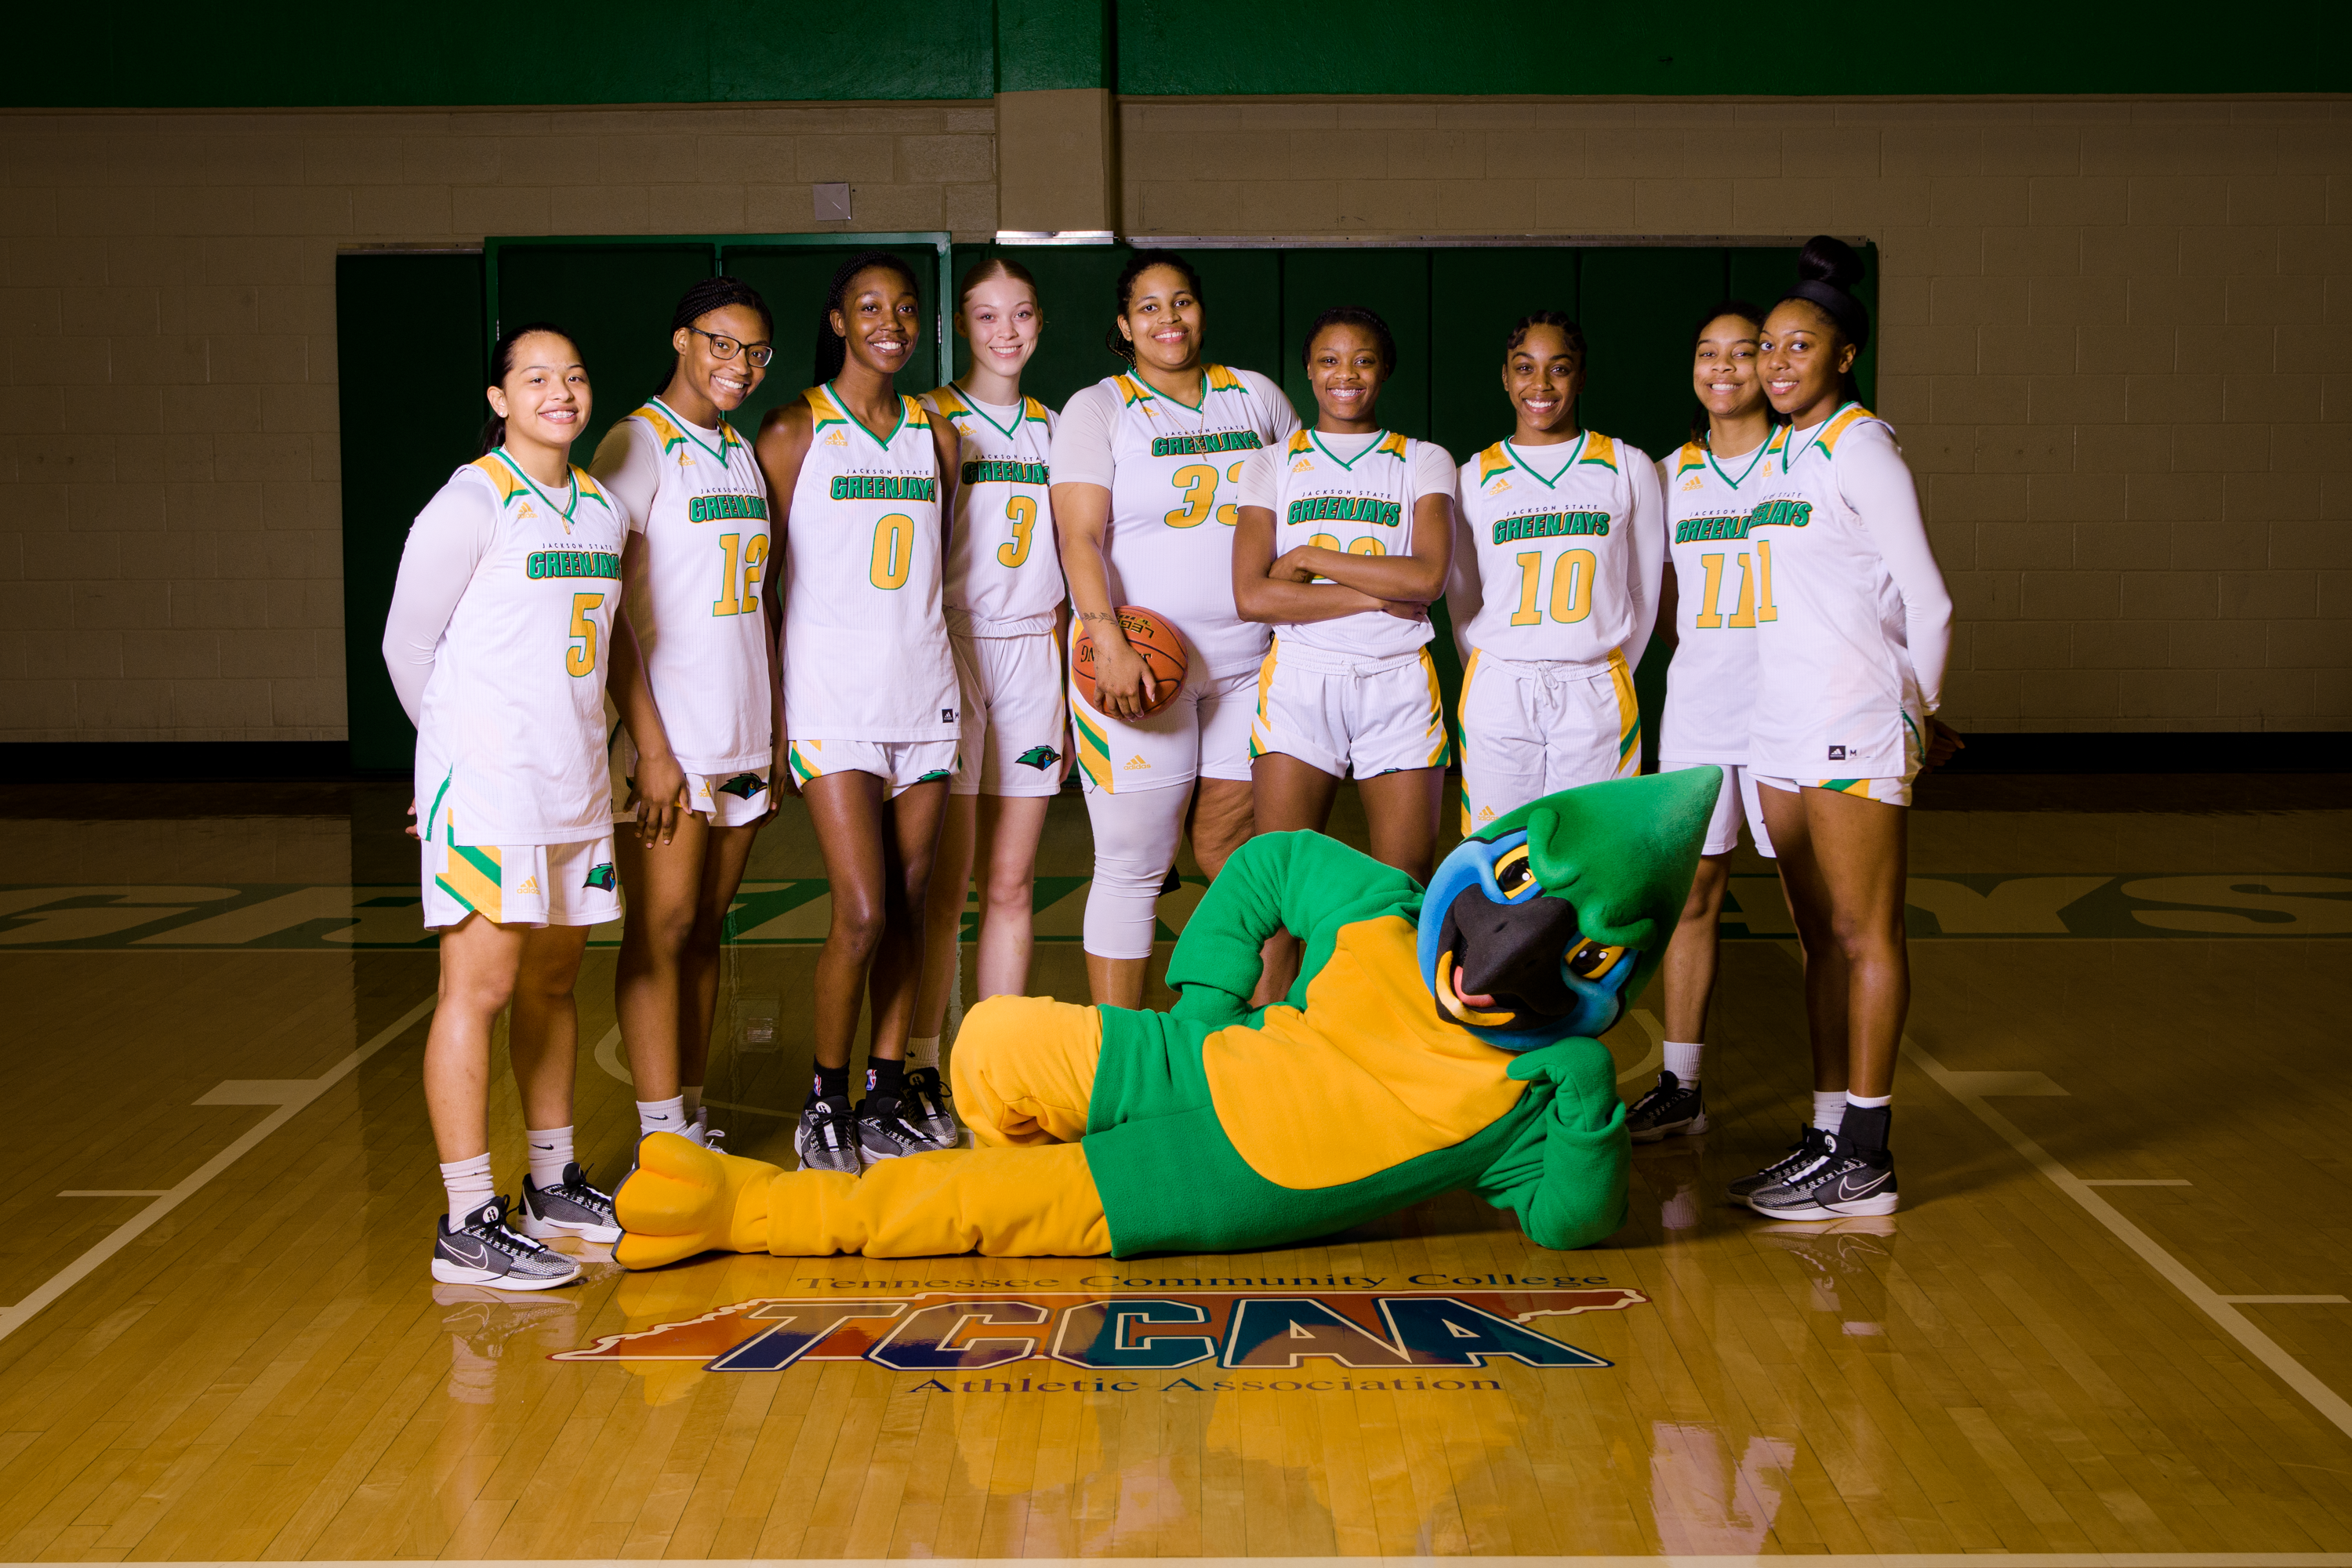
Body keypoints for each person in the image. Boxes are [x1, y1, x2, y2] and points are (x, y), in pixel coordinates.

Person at [611, 771, 1722, 1269]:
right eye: (1521, 891)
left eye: (1575, 955)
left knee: (983, 1202)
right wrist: (1201, 1007)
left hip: (1214, 1179)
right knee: (992, 1042)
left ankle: (749, 1212)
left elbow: (1571, 1229)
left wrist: (1585, 1095)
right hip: (1201, 1058)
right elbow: (1274, 863)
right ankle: (1068, 1161)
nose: (1497, 969)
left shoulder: (1524, 1094)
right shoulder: (1383, 910)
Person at [383, 322, 632, 1289]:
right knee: (476, 990)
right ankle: (465, 1218)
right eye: (535, 378)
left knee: (555, 985)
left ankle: (551, 1183)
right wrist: (445, 764)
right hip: (490, 787)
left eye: (572, 375)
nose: (559, 392)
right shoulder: (469, 502)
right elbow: (408, 647)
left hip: (572, 785)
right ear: (499, 398)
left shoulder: (602, 508)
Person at [1734, 236, 1959, 1220]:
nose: (1778, 362)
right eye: (1769, 347)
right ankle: (1827, 1132)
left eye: (1800, 346)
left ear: (1843, 356)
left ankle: (1867, 1151)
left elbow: (1931, 601)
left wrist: (1918, 714)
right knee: (1818, 939)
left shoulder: (1863, 445)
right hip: (1781, 724)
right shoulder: (1787, 447)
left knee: (1867, 933)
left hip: (1848, 720)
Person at [756, 250, 963, 1174]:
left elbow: (933, 564)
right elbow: (760, 584)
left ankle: (885, 1091)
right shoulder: (797, 429)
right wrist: (768, 717)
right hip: (833, 701)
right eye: (870, 307)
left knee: (914, 902)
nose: (892, 321)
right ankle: (822, 1098)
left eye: (906, 307)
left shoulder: (938, 436)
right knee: (864, 909)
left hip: (923, 692)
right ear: (838, 321)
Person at [1050, 250, 1300, 1007]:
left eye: (1181, 302)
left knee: (1237, 854)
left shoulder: (1253, 395)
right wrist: (1109, 643)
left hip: (1248, 662)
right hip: (1142, 664)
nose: (1169, 320)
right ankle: (1120, 1054)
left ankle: (1265, 1044)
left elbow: (1307, 500)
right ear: (1125, 326)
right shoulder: (1100, 407)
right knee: (1132, 864)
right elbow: (1078, 539)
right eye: (1150, 308)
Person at [591, 277, 779, 1156]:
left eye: (754, 351)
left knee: (707, 930)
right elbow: (608, 610)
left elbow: (756, 601)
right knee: (661, 931)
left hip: (741, 727)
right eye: (721, 343)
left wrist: (772, 734)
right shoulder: (635, 441)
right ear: (681, 339)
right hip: (670, 735)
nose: (738, 365)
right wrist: (651, 748)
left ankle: (689, 1112)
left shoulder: (738, 449)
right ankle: (658, 1131)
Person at [907, 260, 1064, 1143]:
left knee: (1013, 881)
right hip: (953, 650)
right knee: (946, 885)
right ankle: (929, 1063)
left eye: (1022, 313)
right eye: (987, 315)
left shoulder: (1058, 427)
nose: (1007, 331)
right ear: (960, 325)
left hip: (1033, 653)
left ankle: (995, 1066)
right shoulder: (930, 418)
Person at [1623, 302, 1780, 1144]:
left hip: (1794, 709)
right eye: (1705, 351)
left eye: (1742, 351)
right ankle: (1681, 1085)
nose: (1723, 367)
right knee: (1694, 899)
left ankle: (1838, 1110)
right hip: (1701, 708)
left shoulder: (1801, 459)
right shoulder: (1667, 472)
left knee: (1817, 905)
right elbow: (1668, 603)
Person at [1232, 305, 1455, 883]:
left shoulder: (1423, 460)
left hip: (1398, 679)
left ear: (1385, 370)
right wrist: (1378, 595)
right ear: (1308, 368)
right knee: (1280, 888)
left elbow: (1428, 578)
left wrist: (1307, 559)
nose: (1345, 375)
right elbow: (1253, 597)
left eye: (1363, 361)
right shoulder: (1271, 464)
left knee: (1401, 890)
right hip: (1301, 677)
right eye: (1329, 360)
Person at [1448, 313, 1664, 837]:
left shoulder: (1627, 465)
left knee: (1595, 855)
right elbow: (1462, 601)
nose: (1540, 385)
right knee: (1500, 855)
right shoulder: (1474, 475)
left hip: (1595, 684)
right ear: (1505, 376)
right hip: (1500, 684)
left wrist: (1604, 666)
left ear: (1582, 376)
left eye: (1558, 369)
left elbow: (1643, 592)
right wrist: (1496, 669)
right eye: (1525, 368)